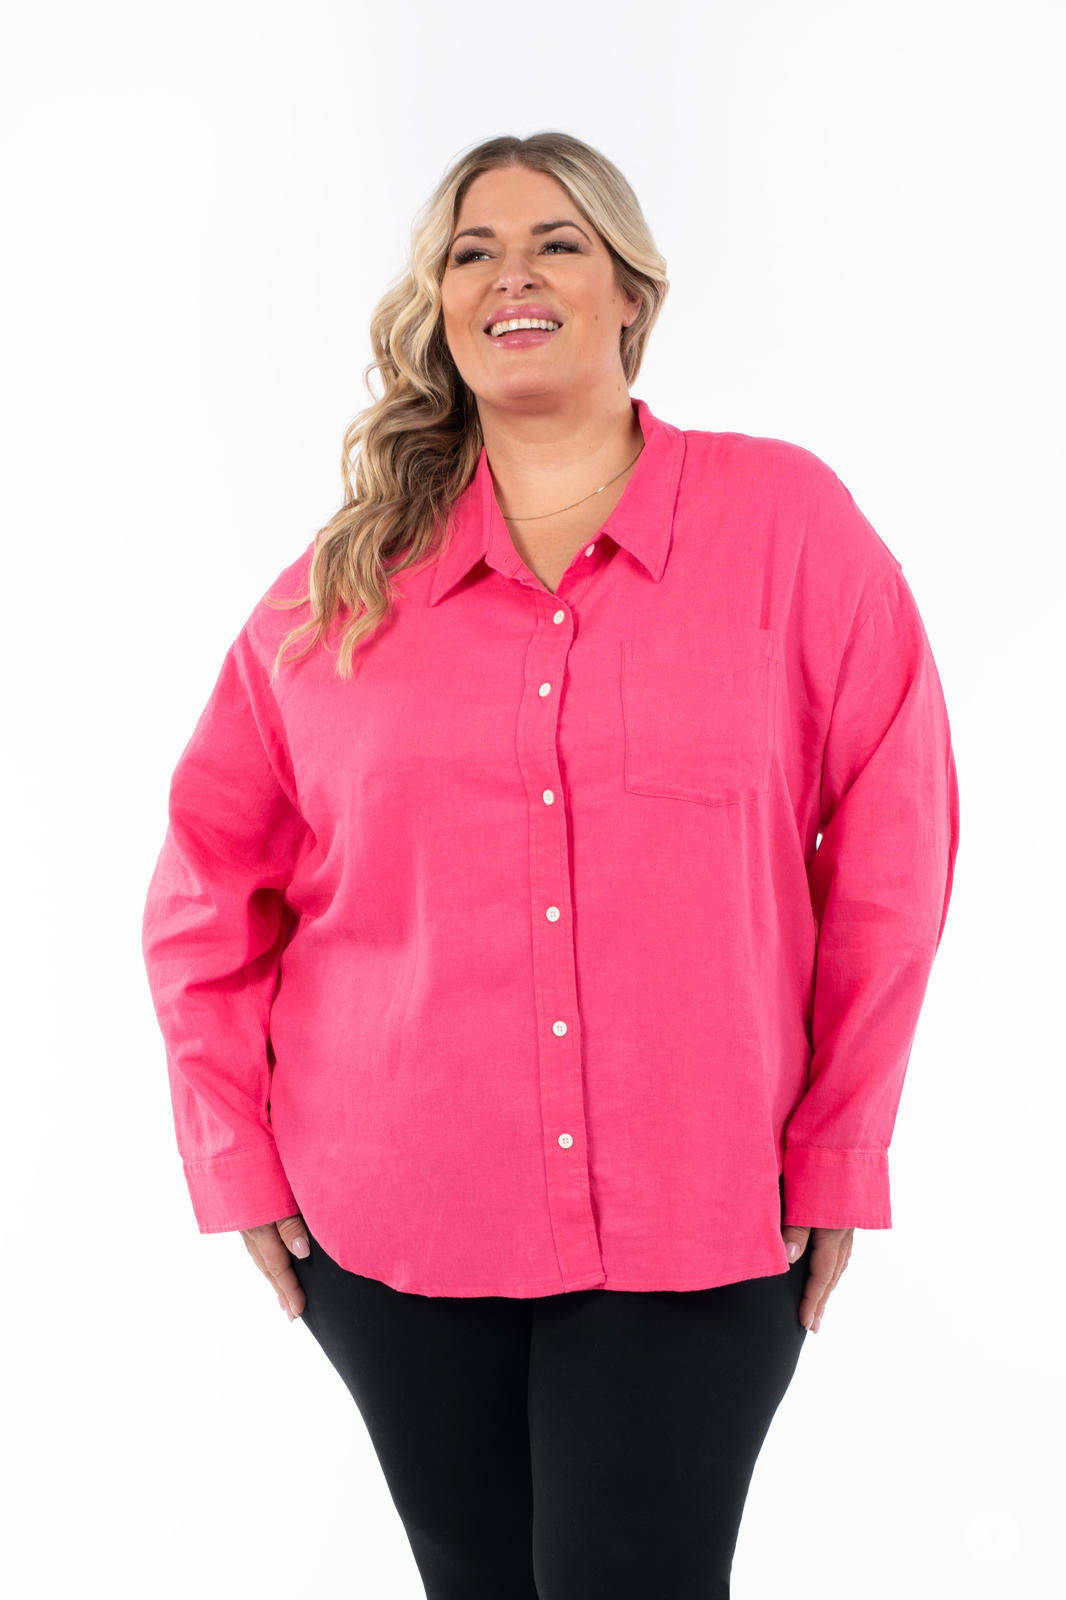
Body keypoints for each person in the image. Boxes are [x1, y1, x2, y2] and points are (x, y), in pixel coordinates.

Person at [141, 131, 960, 1599]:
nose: (510, 276)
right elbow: (206, 887)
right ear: (441, 307)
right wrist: (232, 1153)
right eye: (473, 252)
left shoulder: (787, 528)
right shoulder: (340, 589)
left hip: (701, 1206)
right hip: (392, 1218)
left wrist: (841, 1142)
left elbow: (896, 840)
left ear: (631, 293)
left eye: (555, 243)